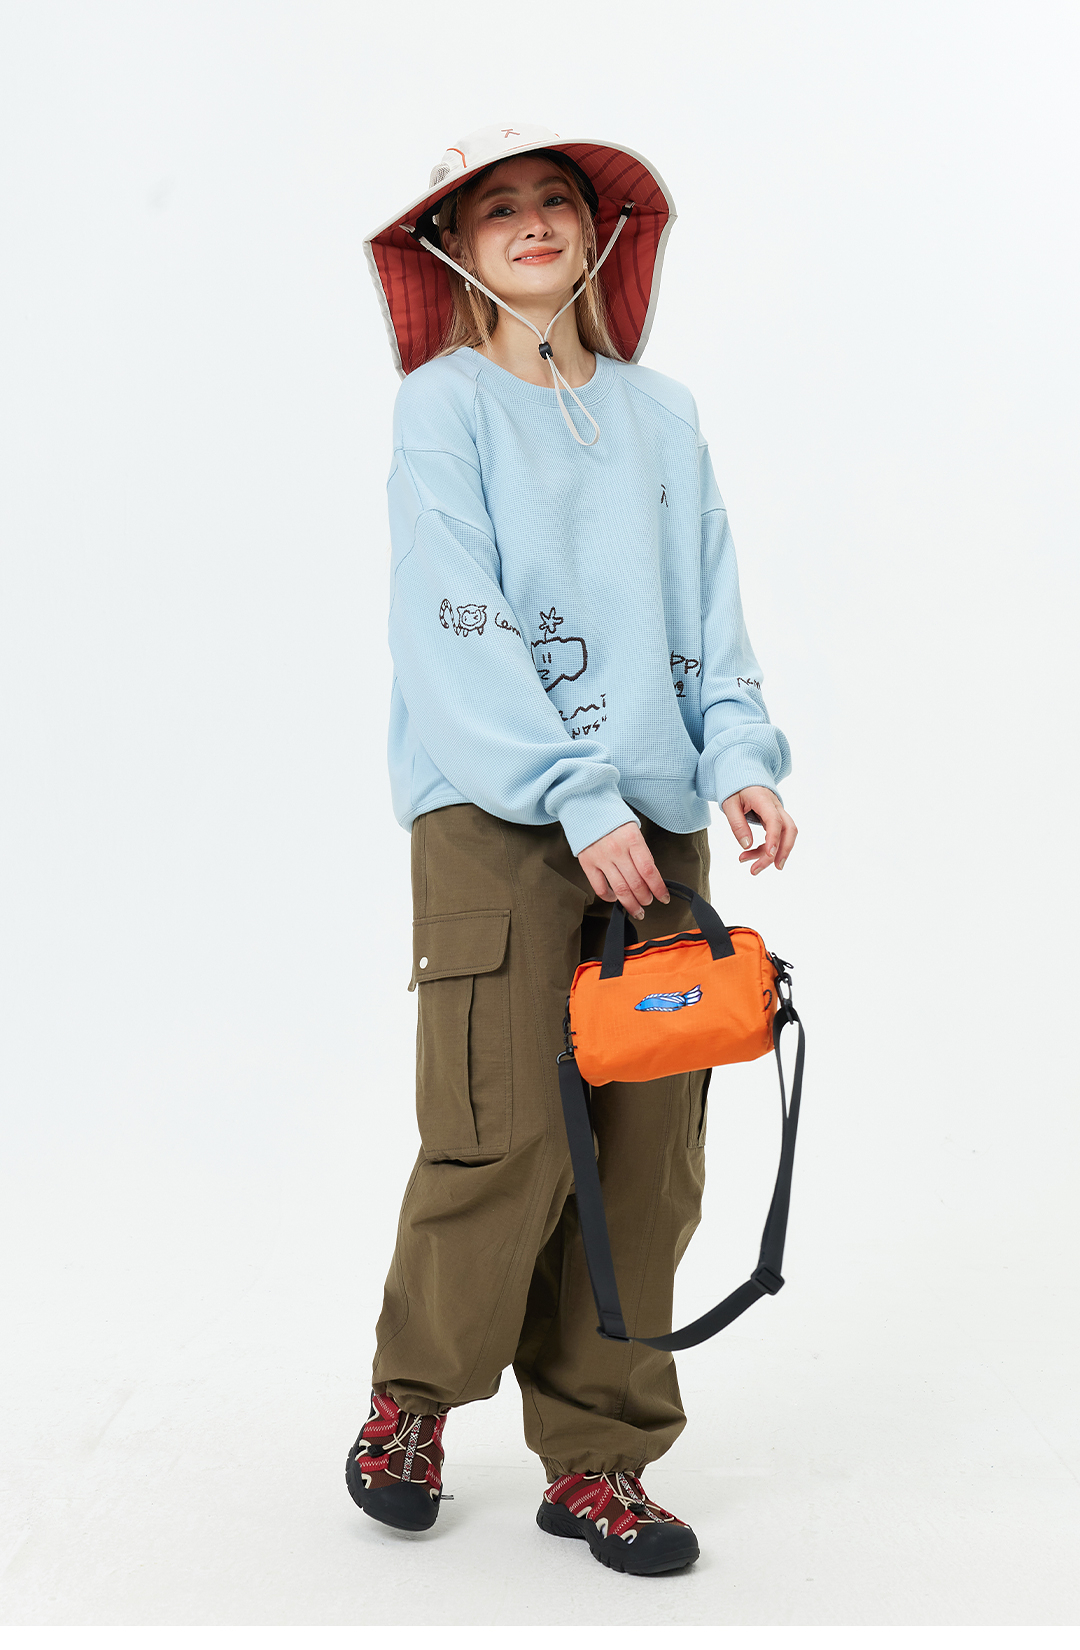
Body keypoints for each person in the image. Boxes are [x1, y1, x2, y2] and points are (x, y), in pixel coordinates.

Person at [350, 124, 797, 1576]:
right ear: (455, 246)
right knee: (506, 1133)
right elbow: (453, 620)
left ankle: (599, 1459)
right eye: (501, 208)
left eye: (558, 202)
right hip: (497, 817)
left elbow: (708, 600)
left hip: (660, 827)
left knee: (649, 1154)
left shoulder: (664, 414)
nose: (535, 222)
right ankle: (413, 1404)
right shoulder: (443, 408)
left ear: (599, 236)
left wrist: (738, 758)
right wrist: (570, 794)